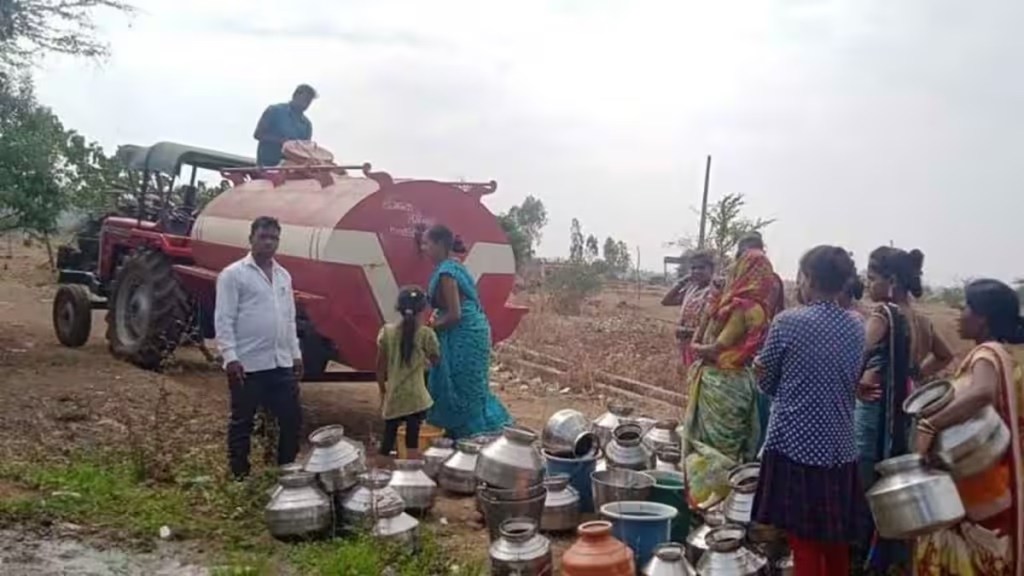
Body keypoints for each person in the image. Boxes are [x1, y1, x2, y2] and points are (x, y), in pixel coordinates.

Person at [752, 245, 867, 576]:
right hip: (841, 447)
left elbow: (769, 381)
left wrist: (763, 374)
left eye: (800, 275)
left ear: (809, 279)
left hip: (796, 445)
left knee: (803, 539)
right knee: (834, 538)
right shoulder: (857, 324)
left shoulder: (788, 322)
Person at [913, 279, 1024, 575]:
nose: (959, 314)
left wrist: (930, 425)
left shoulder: (987, 354)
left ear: (983, 318)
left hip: (979, 477)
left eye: (966, 307)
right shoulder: (1009, 355)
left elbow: (983, 392)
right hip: (997, 476)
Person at [854, 246, 953, 574]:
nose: (868, 285)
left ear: (891, 280)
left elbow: (857, 355)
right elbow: (944, 355)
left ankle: (864, 558)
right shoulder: (921, 319)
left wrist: (856, 383)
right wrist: (914, 375)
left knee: (867, 485)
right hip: (906, 413)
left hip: (874, 414)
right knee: (895, 482)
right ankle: (892, 557)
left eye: (872, 278)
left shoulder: (884, 314)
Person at [683, 247, 777, 505]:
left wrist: (695, 347)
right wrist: (715, 300)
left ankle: (706, 503)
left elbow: (714, 348)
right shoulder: (761, 309)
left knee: (713, 449)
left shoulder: (741, 307)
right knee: (734, 447)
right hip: (741, 382)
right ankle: (734, 504)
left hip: (720, 384)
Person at [215, 216, 303, 480]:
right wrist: (230, 357)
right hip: (247, 364)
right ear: (251, 238)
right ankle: (239, 476)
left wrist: (296, 354)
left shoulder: (283, 276)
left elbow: (288, 318)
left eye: (273, 238)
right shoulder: (233, 275)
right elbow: (224, 318)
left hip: (280, 363)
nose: (268, 242)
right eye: (263, 237)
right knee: (243, 421)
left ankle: (285, 472)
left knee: (291, 420)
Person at [422, 225, 512, 439]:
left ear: (439, 244)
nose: (423, 248)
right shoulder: (454, 265)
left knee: (459, 384)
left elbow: (454, 314)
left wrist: (428, 329)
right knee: (465, 384)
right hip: (469, 329)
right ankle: (464, 431)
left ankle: (469, 435)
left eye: (426, 243)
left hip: (465, 334)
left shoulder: (446, 272)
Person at [375, 286, 439, 466]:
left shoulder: (386, 332)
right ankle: (412, 477)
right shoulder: (426, 334)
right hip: (416, 398)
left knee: (387, 441)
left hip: (394, 396)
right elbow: (435, 361)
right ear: (423, 309)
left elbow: (379, 368)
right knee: (412, 439)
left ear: (398, 308)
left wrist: (382, 391)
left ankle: (378, 479)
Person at [661, 250, 717, 369]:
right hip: (686, 342)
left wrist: (688, 332)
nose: (697, 271)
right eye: (693, 268)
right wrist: (683, 281)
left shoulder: (716, 291)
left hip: (703, 344)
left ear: (711, 270)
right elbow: (666, 301)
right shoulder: (691, 290)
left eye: (701, 268)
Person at [253, 84, 317, 167]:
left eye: (308, 102)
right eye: (304, 99)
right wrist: (284, 142)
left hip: (291, 171)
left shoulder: (307, 124)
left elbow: (305, 151)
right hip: (267, 166)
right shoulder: (274, 110)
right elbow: (257, 135)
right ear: (295, 95)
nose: (305, 104)